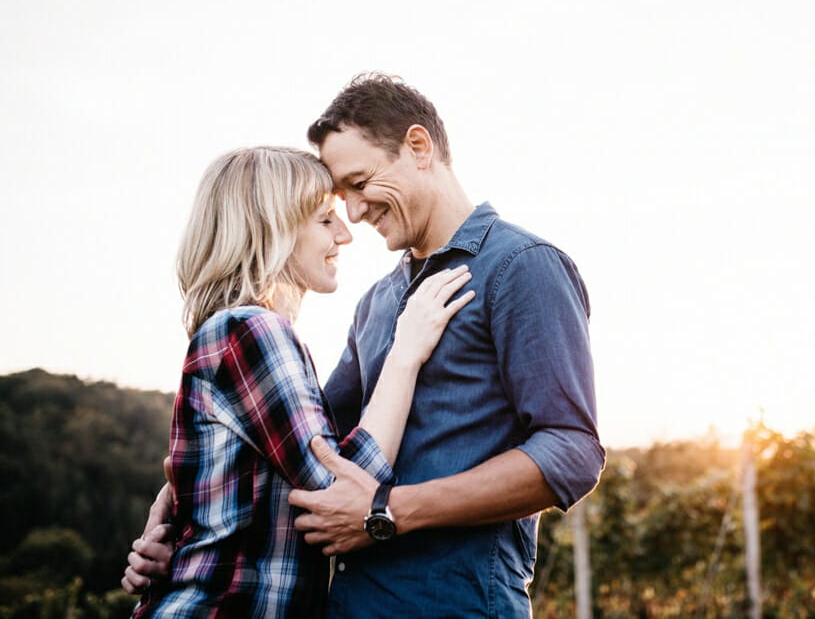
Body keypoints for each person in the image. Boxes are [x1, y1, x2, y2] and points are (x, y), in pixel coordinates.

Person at [126, 74, 605, 617]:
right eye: (339, 197)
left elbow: (573, 451)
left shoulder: (522, 267)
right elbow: (310, 447)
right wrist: (179, 509)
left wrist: (387, 510)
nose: (353, 212)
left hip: (454, 605)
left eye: (360, 182)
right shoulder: (378, 302)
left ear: (418, 148)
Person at [124, 146, 474, 619]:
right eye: (324, 219)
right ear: (273, 227)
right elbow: (342, 488)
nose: (345, 234)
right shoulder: (252, 330)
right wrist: (405, 352)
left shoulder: (236, 332)